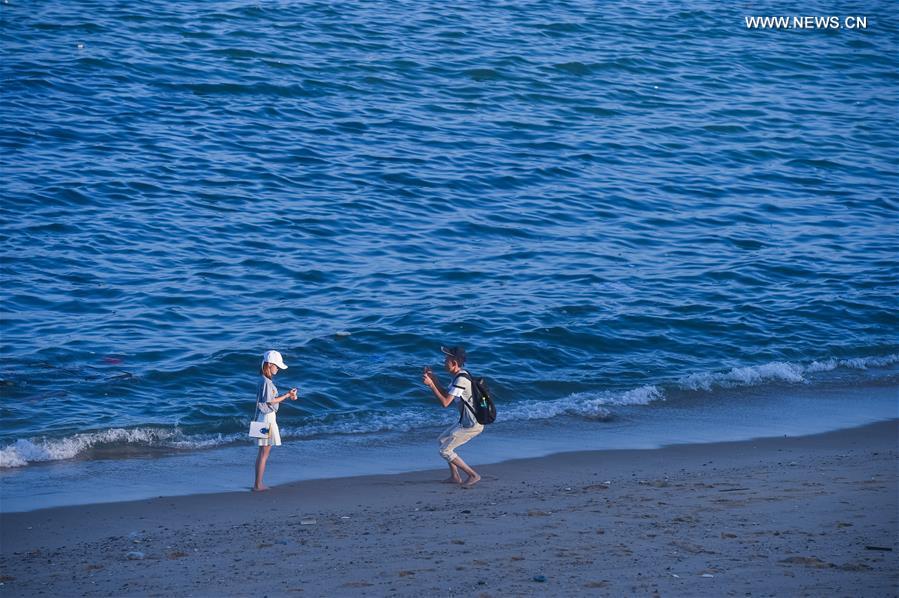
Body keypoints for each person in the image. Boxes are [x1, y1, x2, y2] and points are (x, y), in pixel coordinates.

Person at [422, 345, 483, 488]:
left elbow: (445, 403)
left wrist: (431, 385)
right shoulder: (459, 376)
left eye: (446, 360)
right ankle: (455, 477)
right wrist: (434, 379)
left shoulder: (461, 379)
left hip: (473, 425)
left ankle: (473, 475)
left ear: (454, 363)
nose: (444, 362)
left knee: (445, 450)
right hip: (465, 422)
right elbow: (445, 393)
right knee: (442, 440)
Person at [253, 350, 298, 492]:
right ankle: (258, 485)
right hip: (267, 418)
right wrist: (286, 396)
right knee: (264, 453)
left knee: (262, 452)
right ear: (269, 365)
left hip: (263, 417)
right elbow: (270, 401)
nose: (278, 369)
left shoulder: (264, 380)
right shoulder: (266, 382)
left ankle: (258, 483)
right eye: (276, 366)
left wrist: (288, 396)